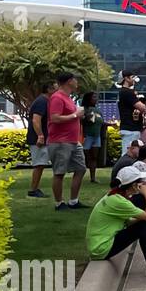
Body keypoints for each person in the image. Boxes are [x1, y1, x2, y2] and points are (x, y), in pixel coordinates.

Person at [47, 71, 88, 210]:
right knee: (59, 173)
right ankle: (59, 203)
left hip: (73, 140)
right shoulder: (57, 98)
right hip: (60, 141)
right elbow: (55, 118)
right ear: (69, 81)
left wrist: (77, 115)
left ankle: (73, 201)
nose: (77, 82)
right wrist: (75, 114)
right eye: (75, 79)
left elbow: (70, 116)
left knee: (81, 168)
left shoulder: (68, 98)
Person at [25, 82, 55, 198]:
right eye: (55, 88)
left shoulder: (45, 101)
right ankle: (33, 189)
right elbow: (36, 120)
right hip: (37, 139)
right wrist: (40, 136)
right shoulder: (41, 102)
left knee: (41, 164)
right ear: (49, 89)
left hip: (41, 137)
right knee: (39, 164)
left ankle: (35, 188)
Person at [116, 69, 146, 151]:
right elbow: (142, 108)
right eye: (132, 77)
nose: (134, 80)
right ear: (126, 78)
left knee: (131, 154)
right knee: (128, 154)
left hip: (129, 129)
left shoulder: (124, 92)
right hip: (130, 129)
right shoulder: (127, 92)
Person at [80, 92, 106, 182]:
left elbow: (102, 122)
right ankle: (79, 176)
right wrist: (86, 118)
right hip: (87, 136)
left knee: (94, 157)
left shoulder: (98, 110)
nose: (96, 99)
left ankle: (93, 177)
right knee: (84, 156)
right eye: (94, 97)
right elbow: (80, 121)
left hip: (96, 136)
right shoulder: (83, 109)